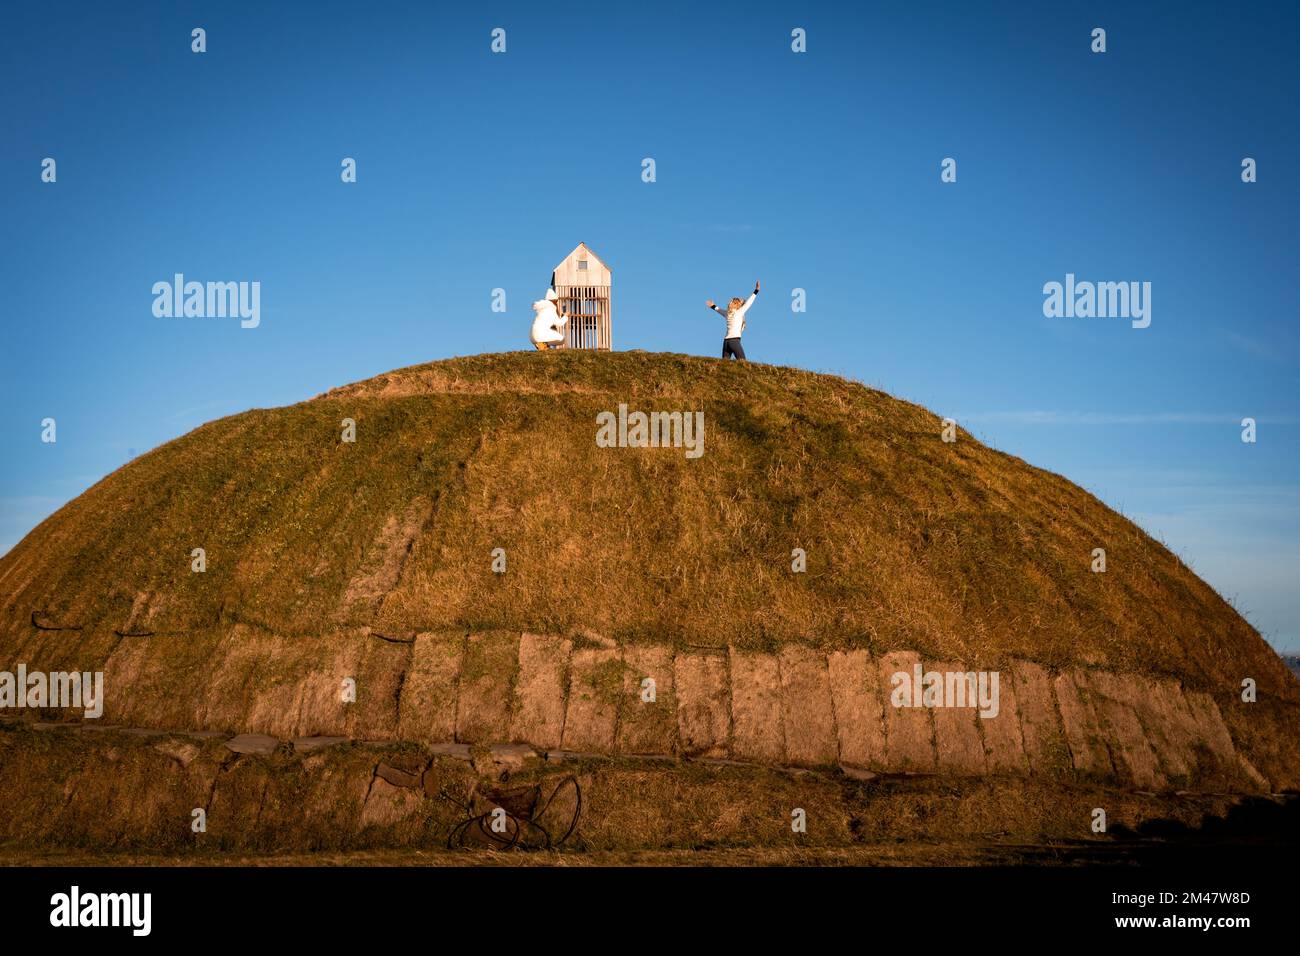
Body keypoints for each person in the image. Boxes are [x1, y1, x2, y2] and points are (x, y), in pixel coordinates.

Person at [706, 279, 759, 360]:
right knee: (743, 362)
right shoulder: (739, 312)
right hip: (734, 341)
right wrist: (756, 291)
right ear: (738, 305)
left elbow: (719, 310)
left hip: (726, 342)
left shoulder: (727, 313)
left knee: (724, 365)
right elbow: (749, 302)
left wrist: (713, 306)